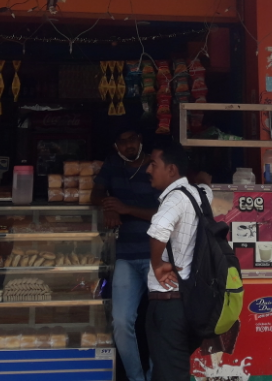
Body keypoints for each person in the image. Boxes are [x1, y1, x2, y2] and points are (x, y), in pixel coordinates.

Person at [145, 141, 213, 381]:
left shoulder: (174, 198)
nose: (148, 170)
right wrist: (204, 179)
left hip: (168, 304)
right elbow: (207, 187)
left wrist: (157, 265)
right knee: (167, 372)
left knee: (172, 375)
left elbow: (159, 229)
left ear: (171, 170)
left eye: (154, 164)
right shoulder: (198, 194)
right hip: (188, 303)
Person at [93, 129, 158, 381]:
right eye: (123, 141)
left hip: (157, 256)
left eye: (133, 139)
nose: (129, 145)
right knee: (120, 321)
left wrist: (126, 208)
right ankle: (135, 378)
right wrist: (108, 204)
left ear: (141, 140)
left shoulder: (156, 165)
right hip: (125, 257)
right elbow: (95, 193)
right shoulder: (112, 164)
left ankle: (154, 375)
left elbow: (166, 211)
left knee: (159, 322)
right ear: (116, 144)